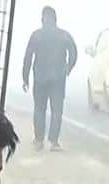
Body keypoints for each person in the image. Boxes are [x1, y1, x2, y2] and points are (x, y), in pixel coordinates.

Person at [21, 6, 78, 152]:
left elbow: (28, 57)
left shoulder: (36, 35)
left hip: (40, 78)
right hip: (58, 79)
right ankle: (54, 142)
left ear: (42, 19)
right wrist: (68, 69)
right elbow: (74, 52)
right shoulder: (63, 35)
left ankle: (39, 141)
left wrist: (25, 78)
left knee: (39, 109)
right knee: (56, 110)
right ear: (56, 19)